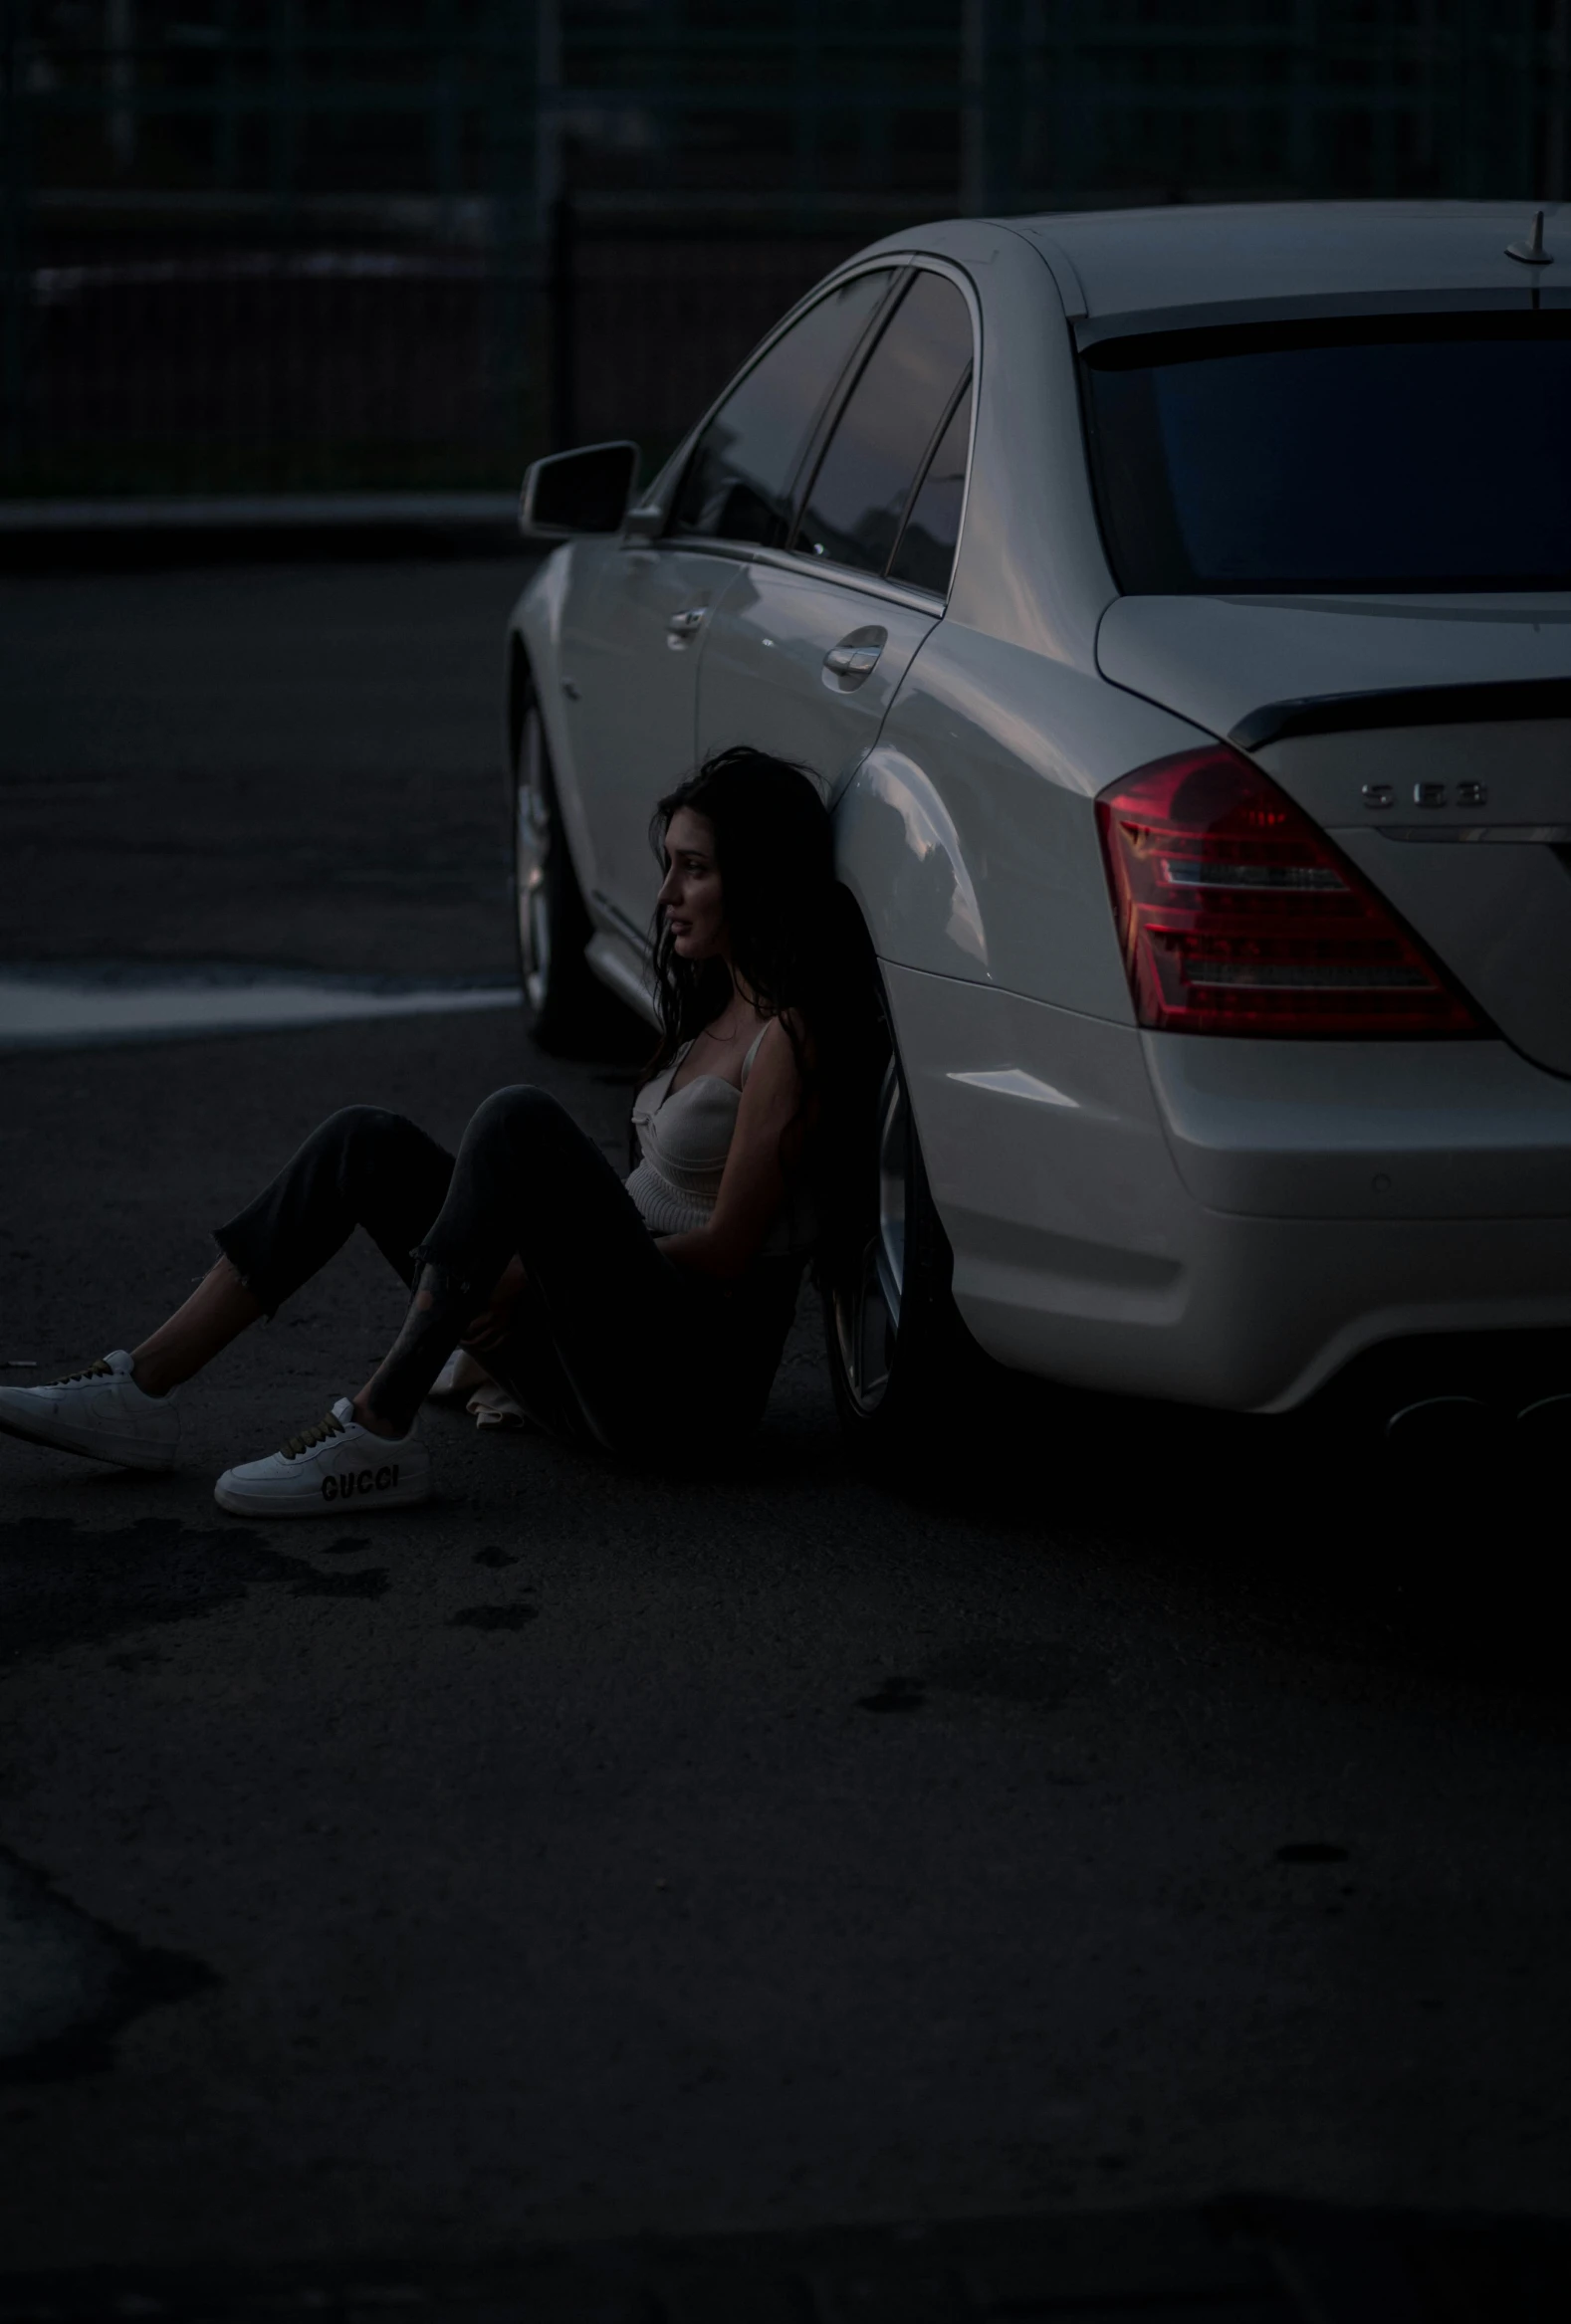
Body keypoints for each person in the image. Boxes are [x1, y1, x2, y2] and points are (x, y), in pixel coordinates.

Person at [0, 748, 854, 1517]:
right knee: (363, 1140)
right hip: (594, 1360)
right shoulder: (706, 1014)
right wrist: (535, 1271)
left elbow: (731, 1251)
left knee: (517, 1117)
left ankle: (379, 1426)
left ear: (757, 878)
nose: (665, 895)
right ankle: (142, 1387)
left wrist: (537, 1273)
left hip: (681, 1400)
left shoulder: (789, 1034)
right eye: (668, 865)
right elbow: (640, 1203)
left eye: (693, 869)